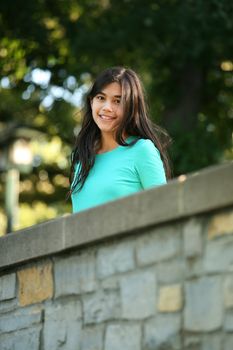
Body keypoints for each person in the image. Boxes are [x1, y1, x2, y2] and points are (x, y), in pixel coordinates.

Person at [69, 66, 172, 213]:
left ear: (131, 107)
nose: (107, 107)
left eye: (117, 101)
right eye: (101, 98)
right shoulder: (82, 156)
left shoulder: (142, 150)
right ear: (91, 102)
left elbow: (164, 212)